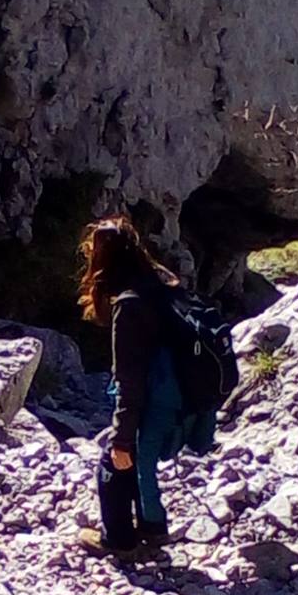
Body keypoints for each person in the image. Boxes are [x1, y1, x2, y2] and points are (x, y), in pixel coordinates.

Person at [77, 216, 215, 564]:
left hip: (157, 395)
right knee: (144, 462)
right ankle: (153, 529)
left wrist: (121, 436)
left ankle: (120, 540)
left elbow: (129, 378)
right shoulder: (162, 283)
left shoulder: (128, 303)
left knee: (114, 463)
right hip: (182, 392)